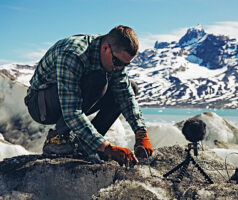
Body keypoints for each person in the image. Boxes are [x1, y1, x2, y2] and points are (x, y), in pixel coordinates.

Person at [24, 25, 153, 167]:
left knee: (130, 87)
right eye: (118, 62)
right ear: (105, 48)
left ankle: (85, 145)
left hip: (68, 100)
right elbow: (72, 112)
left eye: (125, 65)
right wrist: (108, 148)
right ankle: (59, 139)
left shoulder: (113, 57)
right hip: (41, 105)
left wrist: (141, 133)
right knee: (98, 80)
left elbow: (125, 95)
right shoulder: (73, 54)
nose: (119, 68)